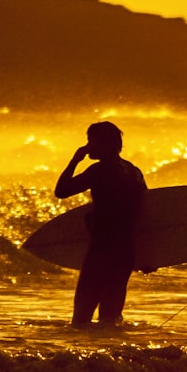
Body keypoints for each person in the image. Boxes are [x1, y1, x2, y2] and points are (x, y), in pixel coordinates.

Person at [54, 120, 147, 326]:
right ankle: (110, 355)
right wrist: (148, 256)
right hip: (125, 253)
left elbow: (61, 191)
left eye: (90, 141)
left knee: (80, 320)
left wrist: (75, 160)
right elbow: (144, 215)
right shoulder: (134, 172)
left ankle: (86, 358)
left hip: (101, 251)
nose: (87, 147)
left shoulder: (100, 170)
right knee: (110, 320)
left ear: (104, 144)